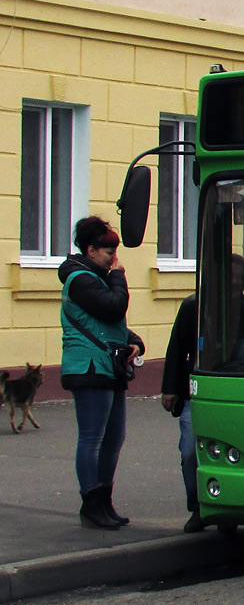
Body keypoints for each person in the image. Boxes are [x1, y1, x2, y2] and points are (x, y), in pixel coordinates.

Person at [161, 254, 244, 533]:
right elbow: (177, 349)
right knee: (188, 453)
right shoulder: (194, 306)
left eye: (238, 282)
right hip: (198, 390)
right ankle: (198, 508)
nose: (232, 288)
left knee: (231, 456)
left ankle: (225, 510)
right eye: (227, 282)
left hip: (234, 392)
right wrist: (170, 388)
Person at [59, 216, 145, 530]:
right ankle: (91, 504)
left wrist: (134, 341)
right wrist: (119, 277)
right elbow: (113, 308)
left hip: (108, 366)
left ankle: (104, 502)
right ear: (91, 249)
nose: (114, 258)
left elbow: (107, 322)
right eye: (108, 251)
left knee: (114, 438)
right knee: (93, 438)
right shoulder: (80, 279)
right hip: (89, 367)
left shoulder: (95, 277)